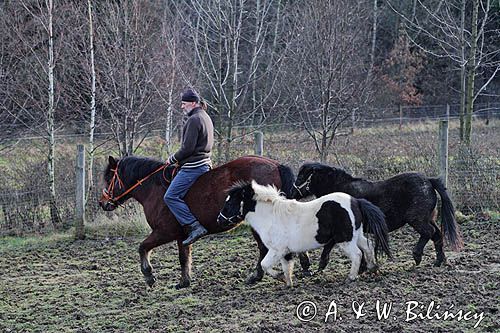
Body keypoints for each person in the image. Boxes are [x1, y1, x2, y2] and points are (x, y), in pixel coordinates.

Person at [164, 88, 214, 246]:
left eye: (184, 103)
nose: (182, 106)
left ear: (193, 103)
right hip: (205, 163)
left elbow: (187, 149)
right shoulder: (205, 116)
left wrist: (172, 159)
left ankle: (194, 226)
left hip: (194, 167)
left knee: (170, 196)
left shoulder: (193, 120)